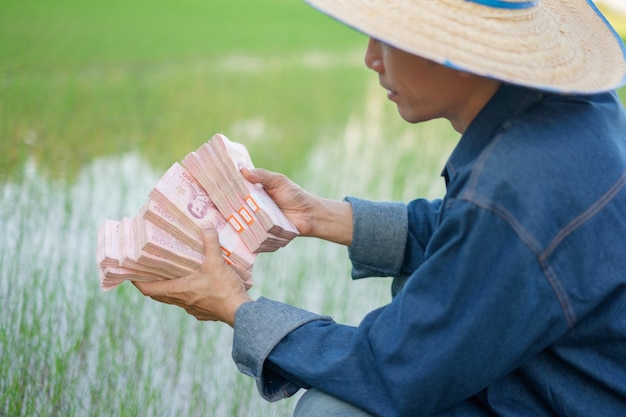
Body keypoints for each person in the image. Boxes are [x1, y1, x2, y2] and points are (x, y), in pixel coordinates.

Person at [134, 0, 626, 415]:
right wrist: (318, 215)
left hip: (564, 399)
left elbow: (393, 370)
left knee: (331, 411)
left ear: (453, 49)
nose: (371, 58)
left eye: (388, 39)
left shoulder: (517, 183)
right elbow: (479, 238)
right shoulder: (575, 112)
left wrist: (234, 307)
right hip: (542, 369)